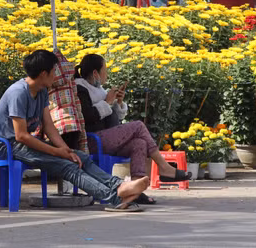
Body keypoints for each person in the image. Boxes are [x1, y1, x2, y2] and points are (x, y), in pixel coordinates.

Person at [0, 49, 150, 212]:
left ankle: (119, 186)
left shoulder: (42, 91)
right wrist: (57, 152)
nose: (56, 75)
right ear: (43, 74)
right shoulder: (18, 93)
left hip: (26, 143)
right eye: (54, 71)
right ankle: (117, 198)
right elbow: (21, 136)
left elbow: (49, 126)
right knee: (67, 166)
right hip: (9, 146)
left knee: (80, 157)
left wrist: (65, 150)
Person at [75, 54, 191, 205]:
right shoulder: (80, 89)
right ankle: (164, 167)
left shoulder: (100, 90)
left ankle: (136, 191)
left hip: (106, 138)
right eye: (105, 70)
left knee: (139, 143)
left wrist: (118, 103)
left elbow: (112, 118)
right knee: (138, 126)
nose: (107, 74)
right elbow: (87, 116)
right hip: (90, 141)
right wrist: (107, 102)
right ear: (95, 73)